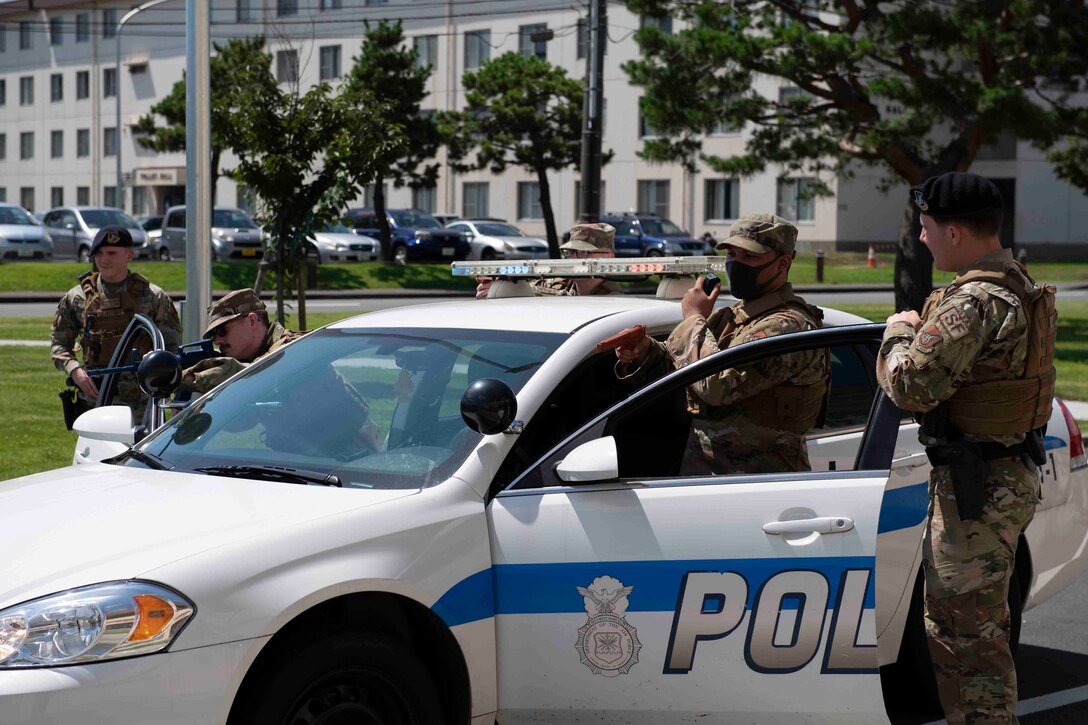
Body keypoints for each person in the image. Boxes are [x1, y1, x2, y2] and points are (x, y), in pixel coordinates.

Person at [876, 172, 1056, 725]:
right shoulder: (1017, 282)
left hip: (975, 494)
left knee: (967, 640)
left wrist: (898, 331)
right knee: (974, 631)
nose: (922, 239)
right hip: (1003, 476)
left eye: (927, 228)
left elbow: (910, 386)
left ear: (953, 233)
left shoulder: (974, 302)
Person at [614, 213, 829, 474]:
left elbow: (716, 384)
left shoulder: (786, 326)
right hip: (709, 476)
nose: (736, 265)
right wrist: (644, 351)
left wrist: (693, 318)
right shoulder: (733, 316)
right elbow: (684, 367)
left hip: (762, 483)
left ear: (782, 263)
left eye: (750, 257)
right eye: (732, 255)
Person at [52, 225, 181, 423]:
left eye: (112, 253)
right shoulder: (77, 298)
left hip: (142, 404)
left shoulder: (153, 297)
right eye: (99, 253)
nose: (104, 259)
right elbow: (59, 343)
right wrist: (75, 371)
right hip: (96, 400)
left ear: (129, 255)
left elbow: (171, 349)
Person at [180, 288, 302, 394]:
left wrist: (178, 378)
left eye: (223, 330)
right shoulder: (249, 356)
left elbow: (249, 373)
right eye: (213, 335)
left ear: (252, 321)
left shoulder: (291, 349)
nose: (217, 341)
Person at [475, 222, 623, 299]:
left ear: (607, 257)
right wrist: (495, 288)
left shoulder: (612, 299)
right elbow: (527, 289)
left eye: (583, 252)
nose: (573, 258)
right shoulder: (559, 282)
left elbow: (575, 307)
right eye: (569, 252)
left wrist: (518, 292)